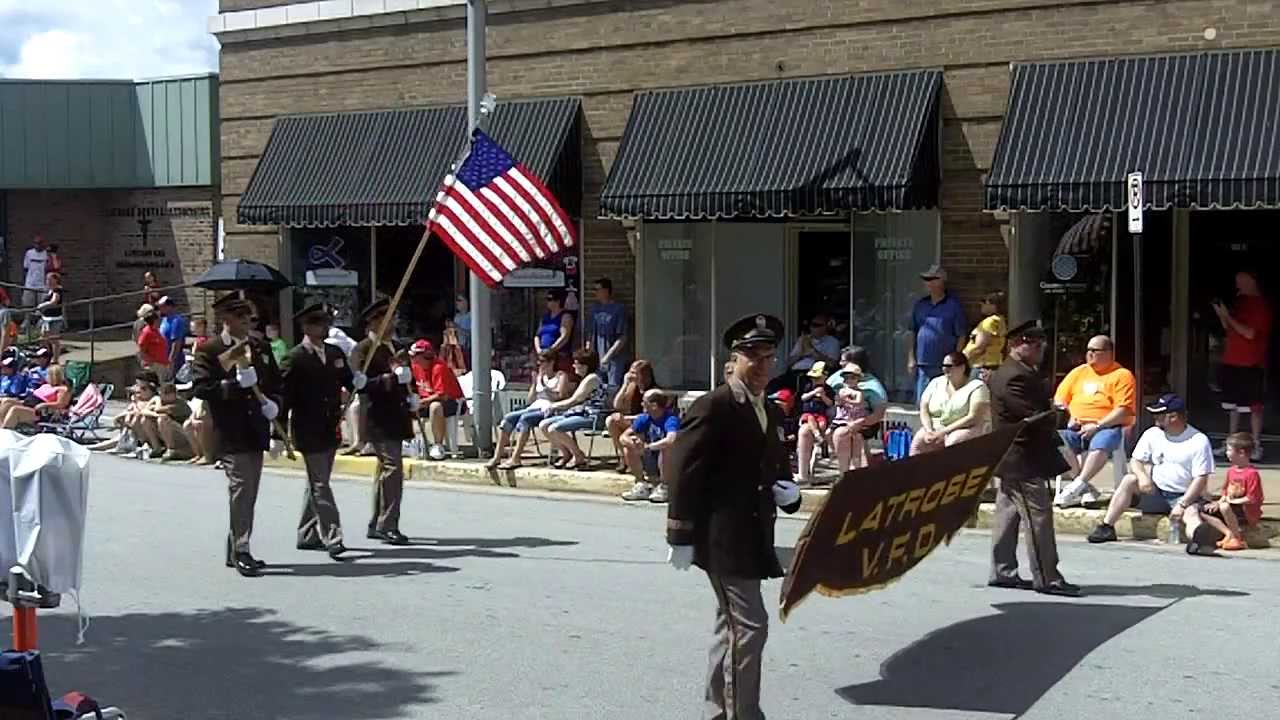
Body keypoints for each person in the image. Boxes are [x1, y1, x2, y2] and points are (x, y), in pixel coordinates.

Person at [665, 313, 802, 720]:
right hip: (722, 538)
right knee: (751, 626)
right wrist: (680, 536)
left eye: (768, 358)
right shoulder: (715, 406)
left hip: (754, 535)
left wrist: (790, 494)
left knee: (730, 626)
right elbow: (683, 472)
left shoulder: (770, 411)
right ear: (733, 361)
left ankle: (717, 710)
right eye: (752, 358)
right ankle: (745, 713)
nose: (761, 367)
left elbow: (774, 467)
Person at [191, 294, 284, 577]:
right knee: (241, 489)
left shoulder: (258, 347)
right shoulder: (210, 349)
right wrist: (232, 385)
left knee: (250, 491)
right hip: (230, 430)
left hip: (255, 429)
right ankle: (242, 549)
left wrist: (273, 405)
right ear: (226, 320)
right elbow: (201, 387)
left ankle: (235, 546)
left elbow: (275, 383)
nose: (247, 323)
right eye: (241, 318)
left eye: (249, 318)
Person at [987, 321, 1078, 597]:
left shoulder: (1021, 372)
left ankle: (1003, 572)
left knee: (1008, 514)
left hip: (1013, 456)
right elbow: (1030, 418)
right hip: (1021, 458)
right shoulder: (1014, 376)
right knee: (1038, 517)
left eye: (1041, 343)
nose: (1040, 348)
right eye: (1033, 343)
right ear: (1015, 344)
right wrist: (1059, 414)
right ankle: (1047, 577)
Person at [1087, 394, 1215, 552]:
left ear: (1173, 417)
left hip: (1183, 495)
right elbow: (1136, 460)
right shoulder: (1152, 434)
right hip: (1156, 491)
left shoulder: (1198, 441)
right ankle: (1107, 526)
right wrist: (1143, 477)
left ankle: (1199, 541)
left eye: (1160, 415)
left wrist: (1182, 504)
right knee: (1129, 480)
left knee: (1191, 513)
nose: (1156, 418)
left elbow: (1200, 478)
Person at [283, 302, 358, 560]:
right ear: (306, 327)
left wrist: (360, 381)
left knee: (317, 481)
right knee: (320, 484)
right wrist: (278, 430)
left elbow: (348, 380)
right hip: (308, 428)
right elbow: (286, 397)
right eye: (319, 323)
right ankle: (332, 536)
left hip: (330, 427)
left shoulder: (335, 353)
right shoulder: (295, 357)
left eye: (326, 323)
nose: (325, 328)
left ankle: (306, 534)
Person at [352, 298, 416, 546]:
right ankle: (388, 524)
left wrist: (411, 394)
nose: (394, 323)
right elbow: (361, 384)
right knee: (393, 469)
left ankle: (377, 521)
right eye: (389, 318)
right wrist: (390, 379)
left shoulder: (398, 347)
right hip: (377, 416)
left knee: (384, 471)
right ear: (376, 321)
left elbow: (406, 380)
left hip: (397, 416)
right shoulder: (364, 349)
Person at [1052, 336, 1137, 508]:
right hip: (1076, 427)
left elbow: (1123, 410)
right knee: (1054, 441)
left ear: (1109, 353)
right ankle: (1083, 487)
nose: (1089, 354)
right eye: (1088, 350)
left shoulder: (1122, 375)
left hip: (1107, 427)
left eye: (1094, 351)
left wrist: (1097, 426)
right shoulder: (1078, 372)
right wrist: (1069, 415)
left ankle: (1076, 486)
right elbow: (1059, 399)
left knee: (1102, 441)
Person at [1213, 270, 1272, 461]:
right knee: (1233, 407)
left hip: (1251, 362)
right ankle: (1232, 443)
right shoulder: (1240, 302)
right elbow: (1228, 328)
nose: (1238, 284)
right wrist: (1222, 314)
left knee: (1254, 407)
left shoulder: (1261, 306)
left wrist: (1228, 317)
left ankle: (1255, 445)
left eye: (1242, 280)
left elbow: (1249, 333)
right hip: (1231, 360)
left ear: (1253, 281)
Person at [489, 351, 568, 470]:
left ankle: (516, 458)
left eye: (542, 362)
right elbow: (530, 400)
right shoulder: (540, 376)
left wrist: (544, 386)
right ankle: (497, 457)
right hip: (534, 407)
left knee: (525, 419)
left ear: (552, 362)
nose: (540, 364)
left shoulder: (561, 376)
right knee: (508, 418)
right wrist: (534, 384)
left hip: (550, 409)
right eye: (539, 362)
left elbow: (559, 396)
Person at [907, 264, 968, 404]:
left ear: (941, 281)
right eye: (926, 279)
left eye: (931, 279)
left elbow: (961, 335)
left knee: (943, 402)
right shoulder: (921, 305)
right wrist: (911, 358)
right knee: (922, 402)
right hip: (923, 363)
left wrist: (956, 359)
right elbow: (912, 331)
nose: (927, 283)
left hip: (945, 365)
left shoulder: (953, 306)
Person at [539, 348, 608, 470]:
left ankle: (578, 455)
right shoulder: (585, 378)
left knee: (555, 428)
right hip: (581, 413)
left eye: (576, 363)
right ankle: (567, 454)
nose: (573, 365)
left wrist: (553, 406)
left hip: (593, 416)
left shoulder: (592, 378)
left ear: (585, 365)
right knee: (544, 425)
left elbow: (574, 400)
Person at [911, 352, 991, 456]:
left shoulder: (977, 386)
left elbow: (973, 417)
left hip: (966, 428)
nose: (945, 369)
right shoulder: (936, 382)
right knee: (918, 441)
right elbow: (924, 408)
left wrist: (943, 432)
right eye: (943, 366)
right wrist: (928, 430)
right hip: (936, 427)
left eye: (949, 366)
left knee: (953, 441)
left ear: (962, 368)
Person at [1197, 432, 1265, 552]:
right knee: (1203, 509)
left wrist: (1231, 501)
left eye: (1229, 450)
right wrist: (1217, 503)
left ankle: (1237, 538)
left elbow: (1252, 498)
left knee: (1224, 507)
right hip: (1230, 508)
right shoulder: (1231, 471)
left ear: (1241, 453)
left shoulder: (1252, 474)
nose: (1226, 453)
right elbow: (1225, 492)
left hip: (1246, 511)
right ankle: (1228, 533)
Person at [829, 347, 889, 473]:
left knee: (842, 434)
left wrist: (859, 423)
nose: (840, 363)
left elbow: (878, 414)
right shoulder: (838, 376)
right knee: (806, 430)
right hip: (838, 418)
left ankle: (846, 473)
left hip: (863, 421)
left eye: (843, 360)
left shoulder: (873, 386)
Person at [619, 389, 681, 503]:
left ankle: (665, 487)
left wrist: (648, 447)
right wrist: (634, 443)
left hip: (668, 462)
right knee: (628, 446)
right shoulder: (644, 418)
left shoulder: (671, 419)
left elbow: (671, 439)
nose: (641, 404)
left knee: (666, 447)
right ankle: (641, 484)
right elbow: (623, 437)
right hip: (650, 458)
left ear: (654, 405)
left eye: (644, 402)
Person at [408, 339, 464, 461]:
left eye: (414, 356)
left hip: (452, 402)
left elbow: (442, 395)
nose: (412, 359)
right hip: (428, 400)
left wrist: (422, 402)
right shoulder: (415, 367)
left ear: (425, 356)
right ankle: (410, 442)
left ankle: (438, 445)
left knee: (435, 406)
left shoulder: (438, 367)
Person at [605, 360, 658, 473]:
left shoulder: (652, 391)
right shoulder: (632, 387)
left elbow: (648, 415)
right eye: (630, 372)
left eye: (634, 373)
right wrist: (625, 385)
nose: (630, 375)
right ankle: (625, 459)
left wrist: (627, 418)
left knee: (624, 431)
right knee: (611, 421)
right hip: (635, 421)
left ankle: (635, 461)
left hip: (647, 423)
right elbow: (617, 405)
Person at [584, 277, 629, 393]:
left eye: (598, 289)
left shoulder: (619, 309)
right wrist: (588, 348)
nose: (595, 292)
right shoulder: (595, 309)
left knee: (612, 388)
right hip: (597, 356)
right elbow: (590, 332)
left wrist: (608, 355)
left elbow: (622, 336)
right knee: (598, 387)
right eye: (594, 290)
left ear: (606, 290)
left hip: (614, 357)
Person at [796, 361, 835, 484]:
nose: (815, 380)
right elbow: (802, 398)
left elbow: (830, 404)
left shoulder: (828, 389)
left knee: (821, 424)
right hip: (807, 415)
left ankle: (819, 438)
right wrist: (813, 393)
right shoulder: (809, 387)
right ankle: (818, 436)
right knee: (808, 423)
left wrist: (823, 396)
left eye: (818, 378)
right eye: (813, 378)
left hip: (821, 416)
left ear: (825, 376)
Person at [1, 363, 70, 429]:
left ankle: (5, 431)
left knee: (15, 409)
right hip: (28, 404)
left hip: (40, 412)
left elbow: (61, 404)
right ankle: (1, 425)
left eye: (49, 375)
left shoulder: (62, 389)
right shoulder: (46, 385)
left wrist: (44, 405)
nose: (47, 377)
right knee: (7, 401)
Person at [142, 382, 194, 461]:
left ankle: (171, 449)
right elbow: (144, 411)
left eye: (163, 394)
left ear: (172, 394)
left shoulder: (180, 404)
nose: (161, 397)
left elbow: (158, 409)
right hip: (169, 432)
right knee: (146, 420)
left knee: (163, 419)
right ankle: (157, 448)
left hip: (184, 434)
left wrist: (156, 401)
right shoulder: (161, 401)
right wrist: (156, 414)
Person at [963, 291, 1007, 381]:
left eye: (984, 301)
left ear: (993, 305)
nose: (981, 304)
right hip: (994, 365)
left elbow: (979, 347)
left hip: (981, 367)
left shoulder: (989, 323)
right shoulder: (1001, 320)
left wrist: (963, 357)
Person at [534, 289, 574, 371]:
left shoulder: (565, 316)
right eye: (547, 300)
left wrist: (551, 349)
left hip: (559, 354)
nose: (548, 302)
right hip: (543, 354)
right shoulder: (545, 317)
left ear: (558, 301)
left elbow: (565, 336)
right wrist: (538, 349)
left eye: (550, 299)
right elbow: (537, 335)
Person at [157, 296, 190, 378]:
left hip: (174, 361)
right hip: (163, 359)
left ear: (170, 306)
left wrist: (171, 361)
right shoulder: (164, 320)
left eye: (163, 306)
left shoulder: (176, 321)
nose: (160, 308)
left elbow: (176, 343)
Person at [36, 272, 64, 362]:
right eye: (47, 280)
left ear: (56, 280)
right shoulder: (49, 290)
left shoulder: (57, 290)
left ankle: (55, 360)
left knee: (54, 340)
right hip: (46, 319)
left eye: (50, 280)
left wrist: (42, 306)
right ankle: (46, 357)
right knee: (43, 339)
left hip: (54, 319)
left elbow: (54, 301)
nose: (48, 282)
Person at [137, 310, 171, 382]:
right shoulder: (147, 332)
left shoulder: (156, 330)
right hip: (155, 365)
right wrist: (150, 362)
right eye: (159, 318)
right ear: (155, 320)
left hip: (163, 364)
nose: (161, 320)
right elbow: (141, 349)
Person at [21, 235, 49, 319]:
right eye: (36, 243)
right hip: (30, 283)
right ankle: (27, 321)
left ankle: (42, 321)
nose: (37, 245)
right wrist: (24, 283)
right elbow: (25, 268)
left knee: (43, 305)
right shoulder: (29, 253)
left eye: (40, 243)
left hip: (42, 284)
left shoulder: (46, 254)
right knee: (27, 304)